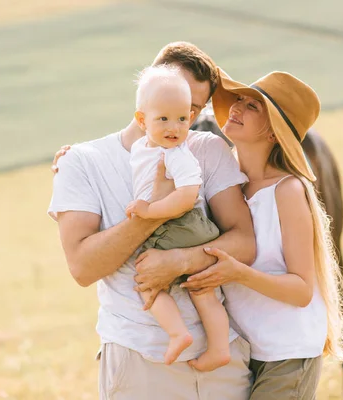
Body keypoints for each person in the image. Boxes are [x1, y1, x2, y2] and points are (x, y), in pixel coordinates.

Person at [48, 43, 254, 399]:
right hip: (139, 360)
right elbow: (82, 268)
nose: (181, 121)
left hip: (222, 359)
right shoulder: (83, 162)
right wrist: (157, 206)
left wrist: (179, 261)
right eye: (175, 105)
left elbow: (245, 242)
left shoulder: (207, 149)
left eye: (192, 110)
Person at [181, 68, 343, 399]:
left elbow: (302, 290)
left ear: (274, 132)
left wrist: (238, 273)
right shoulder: (225, 182)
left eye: (252, 107)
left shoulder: (286, 192)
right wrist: (79, 159)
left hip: (287, 353)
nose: (235, 108)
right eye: (240, 100)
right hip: (246, 350)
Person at [126, 64, 231, 370]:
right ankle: (219, 349)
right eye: (164, 119)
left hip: (181, 223)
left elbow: (186, 197)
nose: (175, 128)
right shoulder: (143, 148)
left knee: (147, 279)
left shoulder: (176, 153)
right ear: (141, 120)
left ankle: (177, 333)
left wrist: (148, 211)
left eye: (183, 119)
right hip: (184, 225)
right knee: (203, 291)